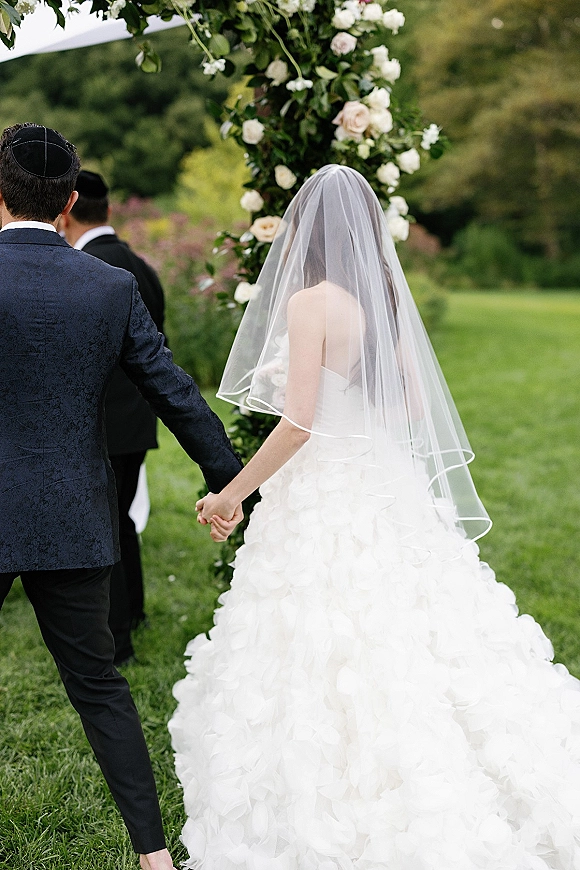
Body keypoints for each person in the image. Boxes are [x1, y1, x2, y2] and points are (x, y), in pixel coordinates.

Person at [169, 165, 580, 869]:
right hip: (379, 476)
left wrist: (233, 491)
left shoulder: (310, 304)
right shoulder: (381, 297)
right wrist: (351, 405)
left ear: (310, 232)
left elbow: (298, 424)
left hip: (325, 485)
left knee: (326, 622)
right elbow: (413, 406)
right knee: (412, 619)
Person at [0, 123, 243, 870]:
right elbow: (173, 389)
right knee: (99, 687)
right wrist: (231, 484)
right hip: (75, 514)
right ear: (70, 201)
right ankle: (154, 855)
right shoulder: (111, 285)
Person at [61, 169, 166, 666]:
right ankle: (136, 612)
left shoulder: (85, 271)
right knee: (121, 521)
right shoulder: (141, 266)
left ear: (67, 211)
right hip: (138, 422)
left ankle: (117, 639)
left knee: (105, 531)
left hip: (100, 425)